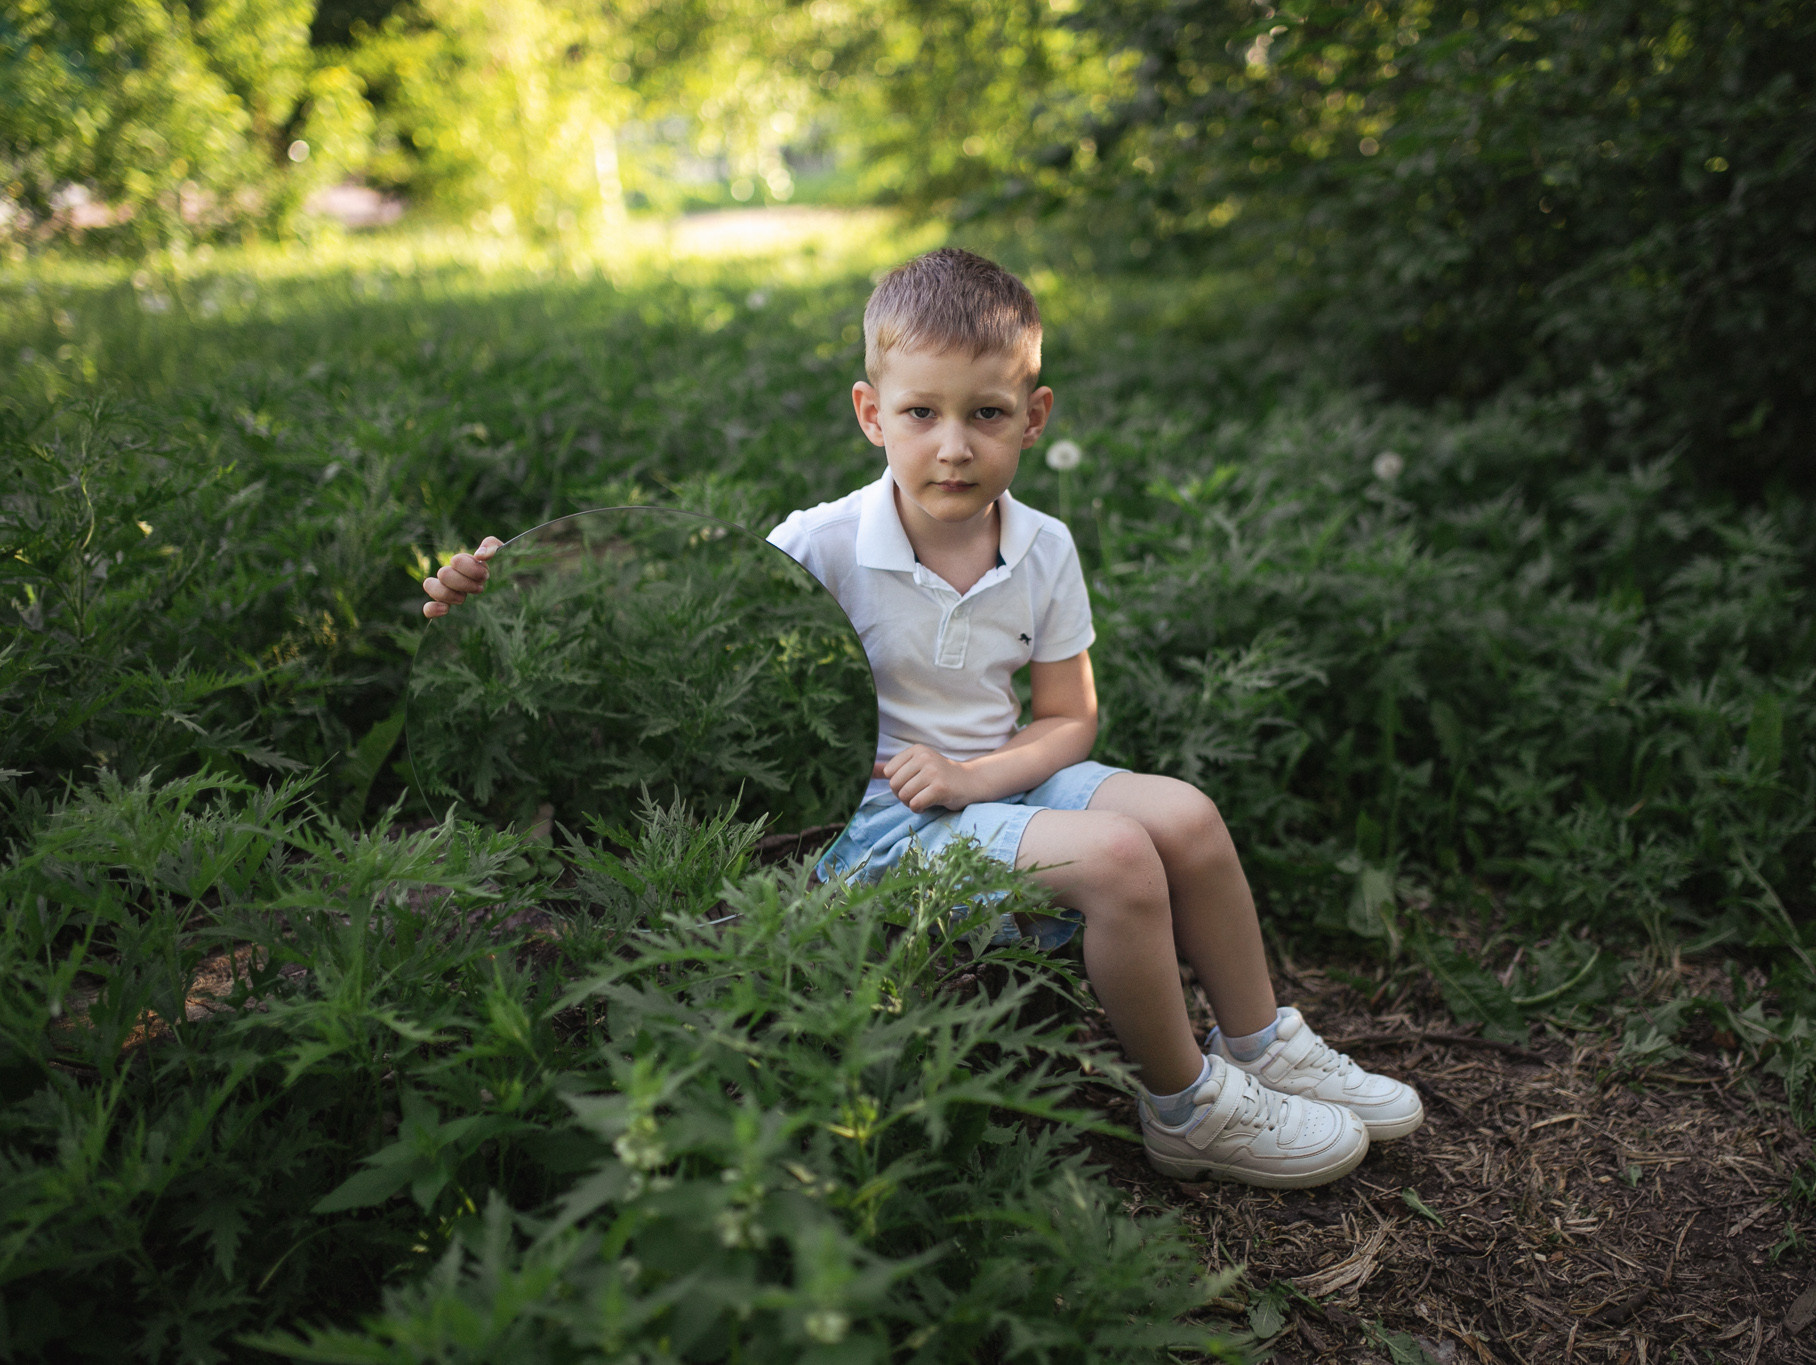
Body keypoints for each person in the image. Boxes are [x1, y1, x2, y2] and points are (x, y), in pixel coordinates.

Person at [420, 248, 1423, 1189]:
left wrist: (981, 775)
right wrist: (495, 593)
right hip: (872, 824)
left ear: (1034, 417)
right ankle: (1185, 1105)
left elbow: (1068, 717)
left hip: (992, 778)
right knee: (1119, 860)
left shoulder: (1041, 547)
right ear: (871, 414)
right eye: (921, 414)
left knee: (1186, 817)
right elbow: (651, 634)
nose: (953, 446)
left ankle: (1259, 1044)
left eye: (985, 413)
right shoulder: (817, 546)